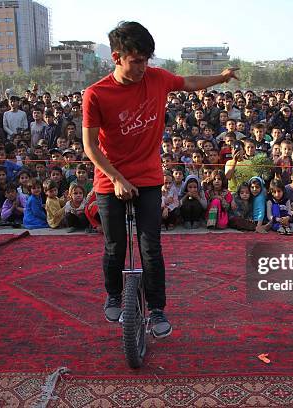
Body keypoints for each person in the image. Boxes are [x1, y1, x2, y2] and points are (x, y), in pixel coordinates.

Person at [82, 21, 239, 338]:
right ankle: (113, 294)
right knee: (115, 247)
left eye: (146, 60)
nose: (143, 67)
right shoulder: (96, 94)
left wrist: (220, 78)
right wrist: (115, 178)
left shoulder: (156, 79)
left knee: (150, 246)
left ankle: (157, 310)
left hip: (148, 177)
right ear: (117, 57)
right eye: (136, 60)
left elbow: (188, 81)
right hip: (109, 180)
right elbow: (89, 146)